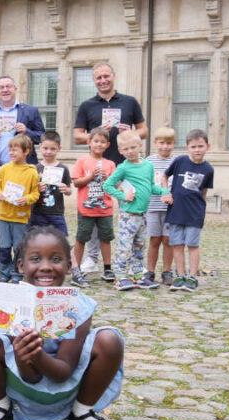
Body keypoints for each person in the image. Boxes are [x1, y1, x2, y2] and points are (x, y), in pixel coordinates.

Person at [0, 226, 124, 420]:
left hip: (66, 384)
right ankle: (1, 408)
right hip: (21, 384)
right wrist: (23, 353)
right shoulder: (10, 306)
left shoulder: (79, 308)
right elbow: (31, 377)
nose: (45, 267)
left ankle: (82, 413)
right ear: (21, 265)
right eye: (35, 259)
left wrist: (36, 354)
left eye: (55, 259)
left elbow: (63, 372)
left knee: (109, 340)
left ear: (68, 266)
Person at [73, 62, 147, 273]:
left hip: (126, 166)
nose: (103, 81)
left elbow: (144, 131)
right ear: (94, 81)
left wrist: (130, 132)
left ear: (113, 76)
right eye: (98, 78)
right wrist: (96, 135)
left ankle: (133, 259)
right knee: (96, 209)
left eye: (106, 76)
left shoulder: (129, 102)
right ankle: (92, 258)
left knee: (130, 210)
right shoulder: (87, 105)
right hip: (98, 167)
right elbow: (78, 136)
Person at [0, 75, 45, 264]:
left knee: (25, 217)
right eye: (1, 87)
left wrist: (27, 131)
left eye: (8, 86)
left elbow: (41, 136)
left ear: (15, 89)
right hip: (0, 173)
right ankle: (1, 260)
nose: (5, 90)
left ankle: (23, 259)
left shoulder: (30, 111)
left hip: (23, 173)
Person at [103, 131, 170, 291]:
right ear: (120, 151)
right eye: (126, 149)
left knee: (139, 246)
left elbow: (150, 186)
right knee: (124, 246)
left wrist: (164, 192)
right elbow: (107, 186)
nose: (130, 151)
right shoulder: (123, 168)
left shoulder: (148, 166)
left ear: (140, 146)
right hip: (128, 215)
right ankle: (119, 277)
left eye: (133, 147)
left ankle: (138, 276)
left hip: (143, 214)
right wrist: (123, 196)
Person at [30, 131, 89, 288]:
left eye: (52, 149)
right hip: (38, 212)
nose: (48, 152)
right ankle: (34, 273)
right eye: (45, 148)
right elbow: (29, 192)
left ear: (59, 149)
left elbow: (69, 190)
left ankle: (76, 272)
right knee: (35, 243)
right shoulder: (35, 169)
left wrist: (66, 189)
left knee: (64, 242)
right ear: (40, 148)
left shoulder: (63, 168)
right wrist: (37, 188)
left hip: (56, 213)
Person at [164, 129, 214, 293]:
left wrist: (199, 207)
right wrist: (166, 192)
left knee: (192, 244)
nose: (197, 150)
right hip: (176, 211)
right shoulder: (180, 161)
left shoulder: (208, 169)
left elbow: (204, 191)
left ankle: (192, 276)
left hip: (195, 213)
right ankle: (180, 275)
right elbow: (164, 176)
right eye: (193, 146)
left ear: (208, 146)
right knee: (177, 244)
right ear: (187, 148)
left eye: (200, 146)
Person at [0, 134, 40, 283]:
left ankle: (17, 272)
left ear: (26, 152)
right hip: (3, 215)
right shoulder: (4, 169)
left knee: (18, 246)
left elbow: (35, 193)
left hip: (20, 217)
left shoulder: (32, 172)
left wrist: (26, 199)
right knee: (4, 247)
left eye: (15, 149)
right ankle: (4, 271)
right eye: (10, 149)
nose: (12, 153)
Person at [71, 128, 117, 283]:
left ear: (107, 145)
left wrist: (107, 178)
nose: (99, 144)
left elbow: (116, 185)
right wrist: (90, 176)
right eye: (96, 141)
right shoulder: (82, 161)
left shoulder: (110, 164)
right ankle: (76, 269)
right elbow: (76, 182)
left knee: (106, 238)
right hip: (86, 209)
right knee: (81, 238)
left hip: (105, 208)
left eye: (102, 142)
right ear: (89, 142)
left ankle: (107, 268)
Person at [145, 127, 177, 286]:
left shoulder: (177, 162)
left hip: (171, 208)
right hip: (152, 206)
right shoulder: (149, 161)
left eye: (169, 143)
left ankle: (167, 271)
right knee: (154, 239)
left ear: (174, 144)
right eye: (162, 143)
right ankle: (150, 271)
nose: (165, 146)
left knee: (168, 240)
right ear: (155, 143)